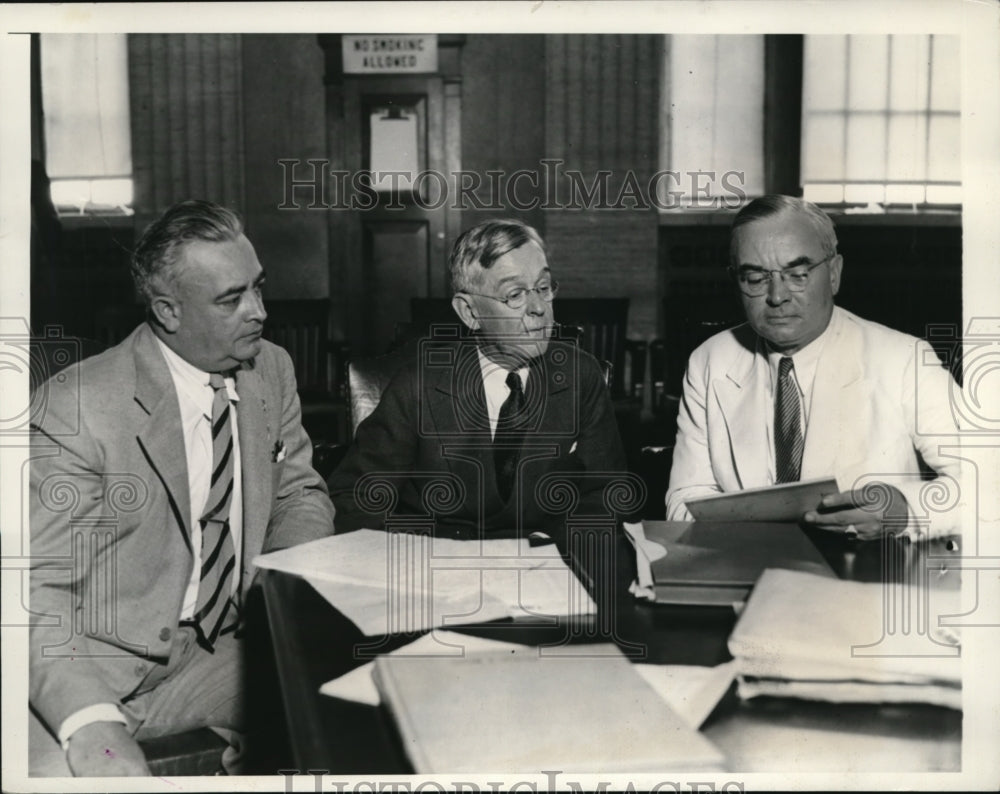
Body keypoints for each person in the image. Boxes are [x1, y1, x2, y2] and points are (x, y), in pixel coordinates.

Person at [29, 200, 335, 776]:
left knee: (356, 718)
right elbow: (34, 590)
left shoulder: (270, 370)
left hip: (222, 650)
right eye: (231, 299)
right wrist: (89, 722)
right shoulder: (79, 408)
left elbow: (300, 494)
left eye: (258, 288)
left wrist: (276, 587)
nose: (260, 312)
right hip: (92, 663)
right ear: (167, 311)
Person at [665, 195, 963, 539]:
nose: (777, 296)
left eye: (798, 274)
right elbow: (685, 501)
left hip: (868, 576)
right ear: (736, 282)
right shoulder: (709, 362)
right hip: (749, 568)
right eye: (755, 278)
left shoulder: (904, 359)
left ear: (833, 273)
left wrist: (906, 511)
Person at [328, 219, 628, 547]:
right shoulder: (419, 386)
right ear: (469, 311)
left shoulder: (580, 377)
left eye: (543, 287)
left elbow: (605, 495)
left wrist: (553, 550)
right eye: (515, 294)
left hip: (546, 571)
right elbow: (355, 500)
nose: (539, 308)